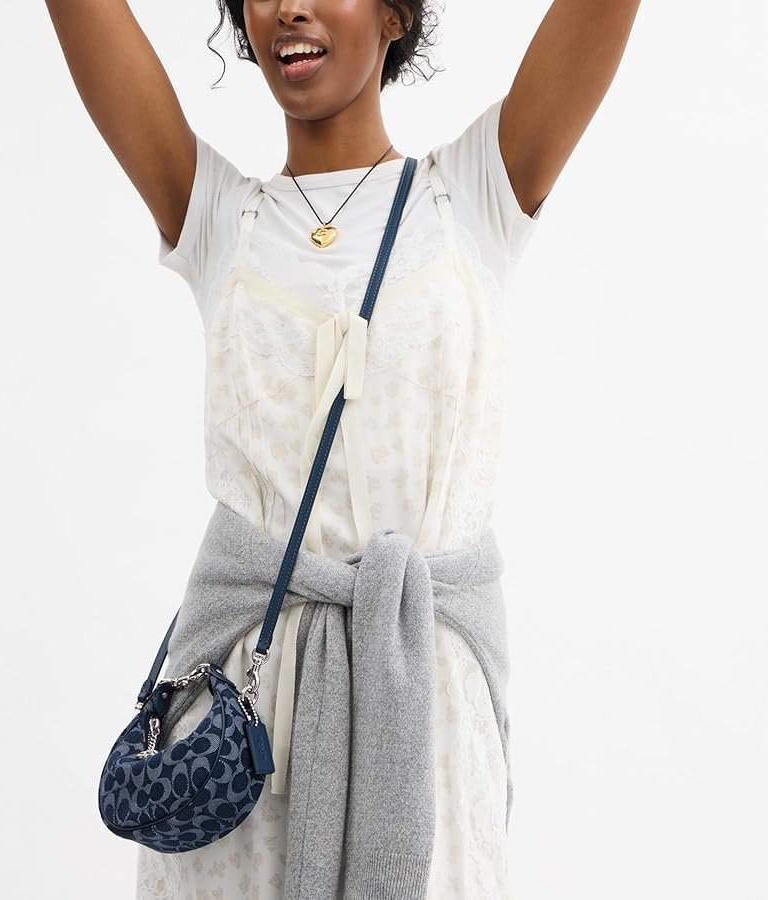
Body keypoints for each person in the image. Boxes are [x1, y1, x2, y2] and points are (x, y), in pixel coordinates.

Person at [45, 1, 642, 896]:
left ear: (395, 14)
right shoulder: (221, 218)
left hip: (423, 701)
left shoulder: (474, 195)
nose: (289, 6)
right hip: (240, 724)